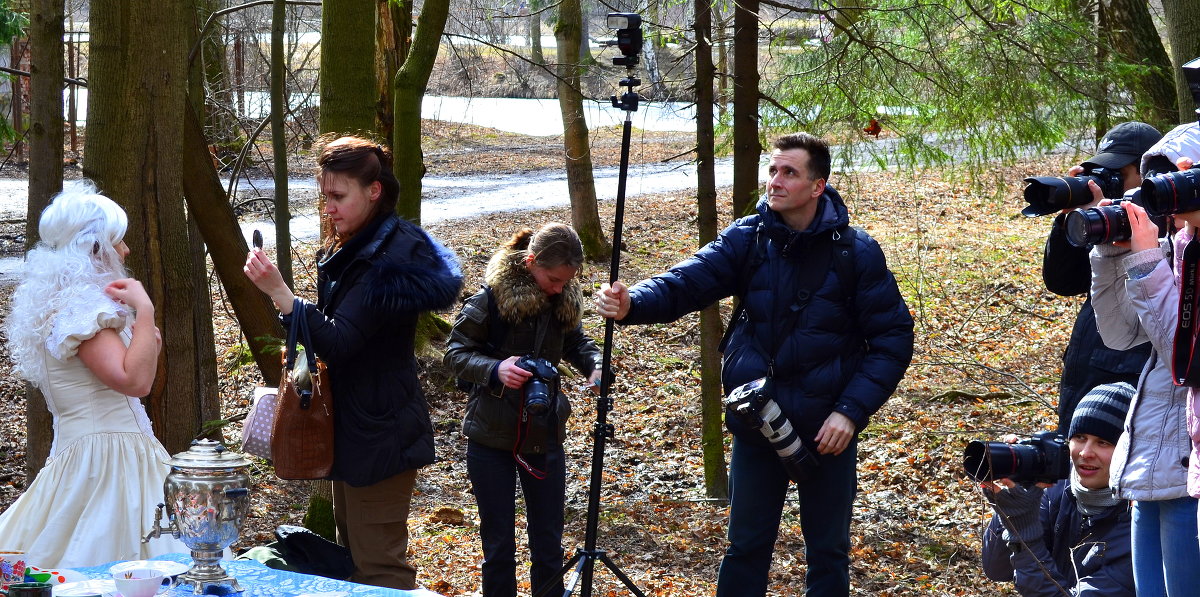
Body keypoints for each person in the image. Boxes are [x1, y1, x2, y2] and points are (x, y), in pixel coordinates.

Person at [595, 132, 914, 596]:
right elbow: (687, 281)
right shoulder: (749, 236)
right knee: (745, 548)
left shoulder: (856, 252)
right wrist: (632, 304)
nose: (776, 181)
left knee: (828, 554)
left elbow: (893, 338)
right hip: (757, 422)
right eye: (773, 170)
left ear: (817, 185)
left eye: (790, 173)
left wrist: (850, 412)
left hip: (826, 431)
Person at [244, 136, 462, 590]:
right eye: (324, 195)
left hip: (380, 434)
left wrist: (282, 295)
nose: (329, 207)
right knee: (359, 566)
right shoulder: (360, 245)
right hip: (359, 427)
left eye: (338, 196)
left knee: (380, 571)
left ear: (374, 191)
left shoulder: (388, 259)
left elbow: (341, 340)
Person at [0, 181, 188, 567]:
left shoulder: (73, 304)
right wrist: (145, 309)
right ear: (95, 247)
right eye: (118, 241)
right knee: (111, 564)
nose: (126, 250)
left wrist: (141, 336)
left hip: (108, 453)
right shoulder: (82, 310)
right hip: (106, 463)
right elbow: (135, 382)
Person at [443, 223, 603, 597]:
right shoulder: (492, 300)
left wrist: (595, 364)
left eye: (566, 281)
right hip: (489, 437)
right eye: (553, 279)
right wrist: (494, 370)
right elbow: (455, 353)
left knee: (548, 544)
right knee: (498, 547)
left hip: (544, 433)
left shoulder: (562, 299)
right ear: (530, 262)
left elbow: (577, 341)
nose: (558, 288)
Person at [1088, 124, 1200, 596]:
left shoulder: (1182, 249)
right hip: (1149, 452)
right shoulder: (1174, 245)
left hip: (1183, 464)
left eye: (1173, 184)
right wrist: (1110, 257)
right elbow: (1120, 335)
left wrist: (1145, 261)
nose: (1164, 203)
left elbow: (1184, 350)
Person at [1041, 122, 1159, 433]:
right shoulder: (1105, 220)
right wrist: (1074, 220)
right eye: (1100, 170)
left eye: (1117, 172)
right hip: (1085, 373)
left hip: (1128, 381)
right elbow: (1063, 281)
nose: (1108, 181)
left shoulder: (1166, 229)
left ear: (1148, 172)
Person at [980, 382, 1135, 596]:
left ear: (1130, 450)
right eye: (1080, 438)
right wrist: (1013, 495)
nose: (1085, 453)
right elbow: (997, 569)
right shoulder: (1054, 488)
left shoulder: (1139, 523)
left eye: (1103, 442)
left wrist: (1023, 529)